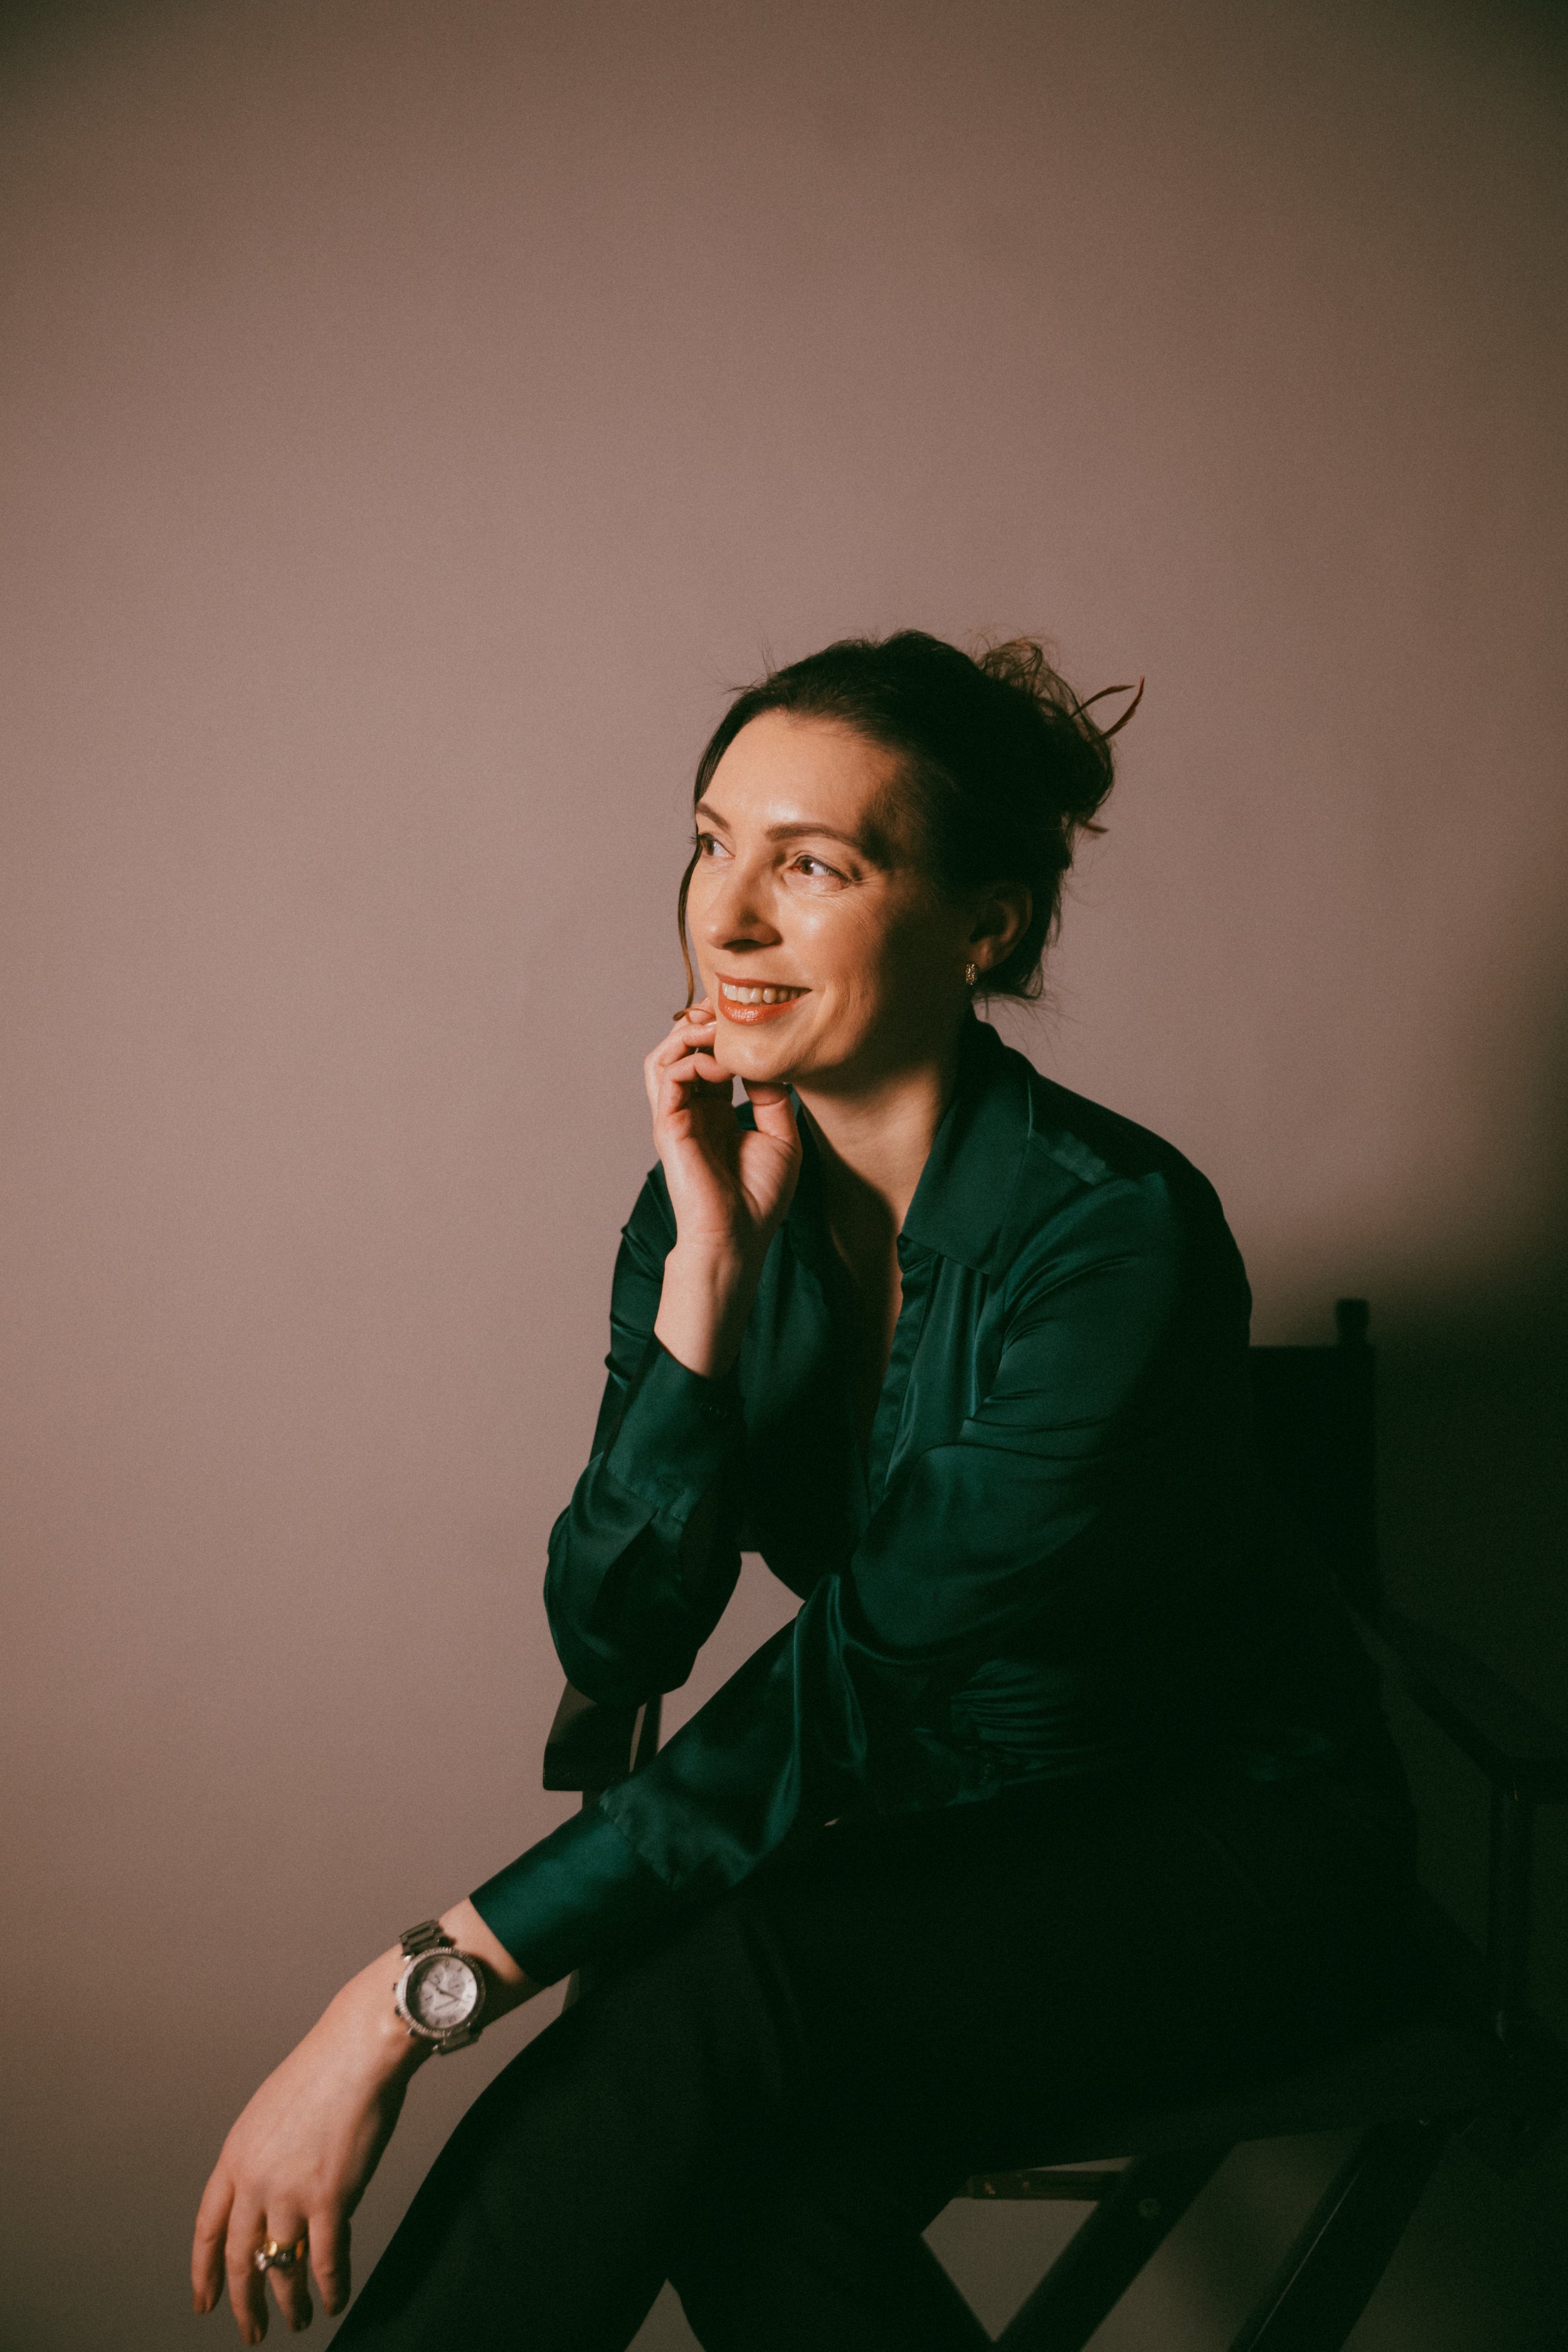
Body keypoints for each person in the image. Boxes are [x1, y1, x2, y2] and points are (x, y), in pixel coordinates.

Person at [192, 632, 1419, 2350]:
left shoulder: (1111, 1238)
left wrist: (404, 2001)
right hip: (947, 1871)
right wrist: (702, 1285)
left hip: (1233, 1865)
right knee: (749, 2158)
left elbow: (864, 1673)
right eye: (712, 843)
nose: (728, 917)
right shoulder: (704, 1193)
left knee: (709, 1994)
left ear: (981, 927)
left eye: (814, 866)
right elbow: (617, 1626)